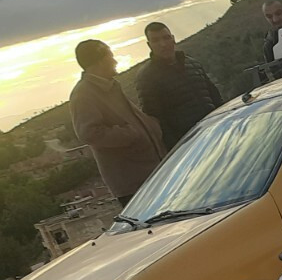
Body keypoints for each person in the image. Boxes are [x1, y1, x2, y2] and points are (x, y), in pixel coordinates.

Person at [68, 40, 166, 204]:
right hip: (134, 184)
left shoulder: (110, 86)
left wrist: (151, 125)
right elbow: (90, 133)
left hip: (151, 174)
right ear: (99, 61)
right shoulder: (83, 94)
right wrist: (132, 134)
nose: (115, 61)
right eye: (110, 56)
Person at [136, 21, 222, 149]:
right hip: (189, 145)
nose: (163, 44)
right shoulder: (147, 77)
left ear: (173, 39)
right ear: (149, 45)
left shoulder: (192, 64)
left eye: (166, 38)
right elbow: (156, 120)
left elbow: (215, 97)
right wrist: (178, 148)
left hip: (217, 132)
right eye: (156, 40)